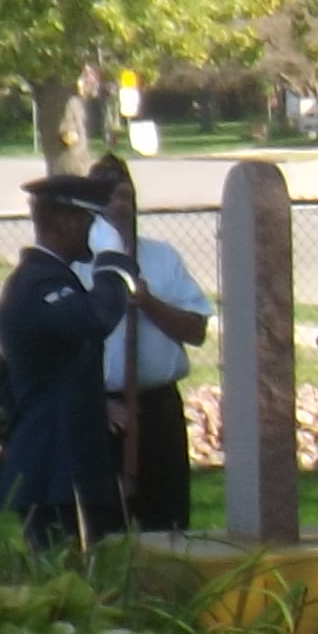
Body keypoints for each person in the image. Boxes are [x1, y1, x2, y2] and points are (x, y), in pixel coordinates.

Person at [0, 174, 132, 547]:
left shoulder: (51, 278)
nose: (100, 230)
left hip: (64, 466)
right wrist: (112, 260)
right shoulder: (39, 284)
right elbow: (96, 318)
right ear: (65, 221)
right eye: (93, 220)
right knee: (63, 570)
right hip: (53, 467)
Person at [84, 156, 211, 535]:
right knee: (101, 527)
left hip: (157, 407)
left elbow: (196, 330)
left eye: (126, 195)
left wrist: (149, 302)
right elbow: (57, 350)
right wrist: (97, 401)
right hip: (99, 410)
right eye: (109, 197)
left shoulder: (161, 258)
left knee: (166, 523)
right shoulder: (78, 264)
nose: (119, 205)